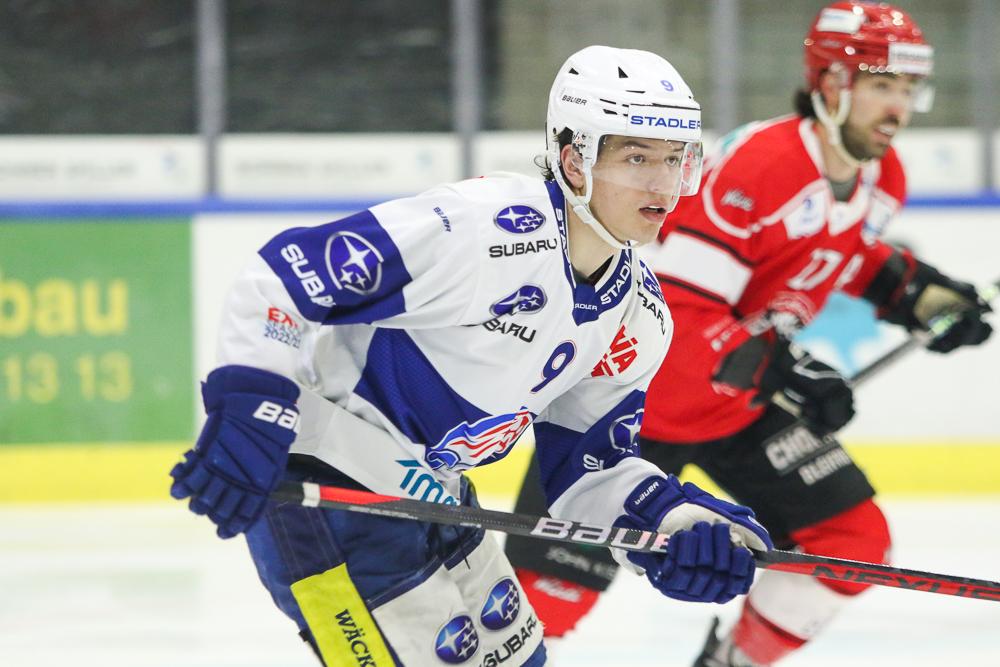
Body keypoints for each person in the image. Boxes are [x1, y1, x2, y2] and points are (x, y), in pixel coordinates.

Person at [168, 45, 773, 667]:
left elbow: (588, 467)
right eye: (636, 157)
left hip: (441, 500)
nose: (662, 184)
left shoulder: (639, 313)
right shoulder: (482, 229)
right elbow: (285, 275)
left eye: (674, 159)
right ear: (574, 158)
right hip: (330, 495)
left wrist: (676, 525)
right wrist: (253, 408)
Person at [505, 4, 994, 666]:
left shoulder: (882, 178)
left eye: (908, 89)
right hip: (633, 401)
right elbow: (676, 314)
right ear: (831, 85)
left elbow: (843, 252)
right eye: (882, 85)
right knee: (543, 603)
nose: (898, 108)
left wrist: (917, 294)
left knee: (851, 540)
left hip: (734, 404)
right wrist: (786, 370)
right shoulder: (762, 165)